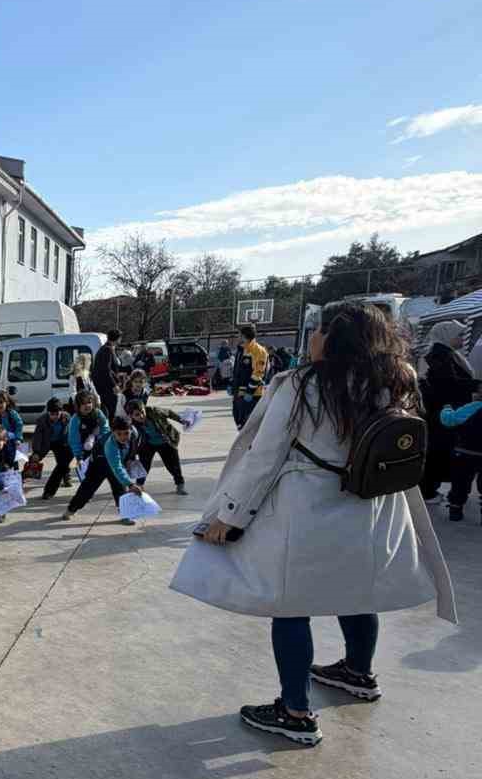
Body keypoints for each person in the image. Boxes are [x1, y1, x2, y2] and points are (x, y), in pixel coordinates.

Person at [172, 303, 455, 748]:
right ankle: (358, 672)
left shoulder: (303, 384)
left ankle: (295, 711)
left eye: (318, 331)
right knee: (360, 593)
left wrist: (228, 516)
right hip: (373, 505)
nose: (312, 339)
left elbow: (263, 458)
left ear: (335, 337)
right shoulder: (398, 378)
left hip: (308, 510)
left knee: (290, 605)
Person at [419, 320, 476, 502]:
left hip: (445, 411)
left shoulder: (446, 353)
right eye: (459, 335)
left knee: (440, 451)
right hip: (441, 413)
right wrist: (477, 386)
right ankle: (428, 491)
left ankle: (430, 489)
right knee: (438, 451)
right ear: (447, 336)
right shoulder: (439, 355)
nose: (462, 339)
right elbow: (448, 384)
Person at [62, 406, 135, 521]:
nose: (123, 437)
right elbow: (116, 467)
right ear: (112, 432)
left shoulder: (134, 434)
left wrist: (130, 459)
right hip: (99, 462)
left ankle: (125, 515)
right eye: (119, 434)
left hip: (117, 461)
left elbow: (132, 449)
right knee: (87, 489)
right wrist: (130, 484)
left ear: (131, 430)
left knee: (120, 489)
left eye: (126, 433)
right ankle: (71, 509)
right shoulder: (110, 444)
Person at [126, 399, 187, 494]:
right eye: (137, 415)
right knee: (144, 465)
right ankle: (139, 485)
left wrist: (181, 420)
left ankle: (180, 484)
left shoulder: (154, 411)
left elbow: (169, 413)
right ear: (131, 416)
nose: (141, 416)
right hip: (148, 445)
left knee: (173, 465)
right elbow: (131, 443)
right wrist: (131, 456)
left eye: (142, 412)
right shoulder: (131, 426)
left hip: (166, 441)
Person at [441, 393, 482, 522]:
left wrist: (447, 408)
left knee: (460, 482)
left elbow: (449, 420)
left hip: (465, 451)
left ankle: (455, 510)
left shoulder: (474, 407)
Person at [31, 398, 73, 499]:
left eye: (57, 413)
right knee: (33, 459)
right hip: (46, 443)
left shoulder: (67, 417)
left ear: (61, 411)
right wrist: (36, 452)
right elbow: (37, 437)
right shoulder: (42, 420)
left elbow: (71, 433)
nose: (54, 416)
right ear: (48, 412)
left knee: (63, 462)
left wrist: (72, 447)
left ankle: (52, 488)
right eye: (51, 414)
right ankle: (23, 481)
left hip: (61, 443)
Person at [231, 324, 269, 429]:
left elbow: (258, 373)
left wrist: (249, 392)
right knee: (239, 420)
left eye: (239, 335)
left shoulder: (258, 351)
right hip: (239, 393)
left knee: (249, 425)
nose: (238, 337)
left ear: (244, 336)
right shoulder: (242, 350)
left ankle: (250, 445)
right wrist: (232, 384)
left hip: (251, 395)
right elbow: (238, 371)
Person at [93, 329, 121, 420]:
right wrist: (114, 385)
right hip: (107, 388)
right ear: (117, 339)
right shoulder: (107, 349)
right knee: (111, 412)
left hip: (104, 387)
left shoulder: (105, 348)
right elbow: (106, 369)